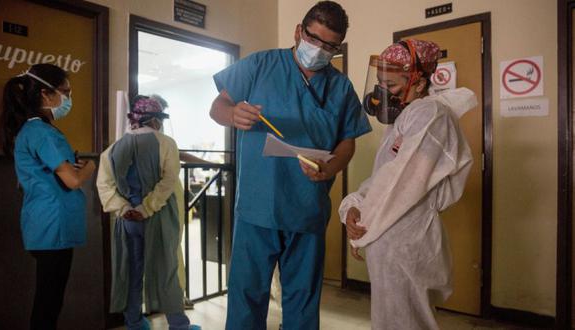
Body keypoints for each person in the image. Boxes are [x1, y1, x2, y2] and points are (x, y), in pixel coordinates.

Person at [209, 1, 371, 329]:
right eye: (314, 40)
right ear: (299, 32)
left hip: (307, 209)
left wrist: (331, 168)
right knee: (246, 299)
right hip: (258, 209)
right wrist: (231, 114)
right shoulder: (260, 65)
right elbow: (218, 105)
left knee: (302, 302)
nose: (321, 50)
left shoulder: (340, 87)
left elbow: (348, 141)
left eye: (330, 46)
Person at [339, 39, 476, 330]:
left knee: (407, 322)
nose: (381, 93)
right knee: (393, 320)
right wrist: (353, 206)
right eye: (379, 83)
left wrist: (363, 226)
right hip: (391, 238)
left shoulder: (429, 116)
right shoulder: (405, 118)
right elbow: (384, 177)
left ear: (418, 82)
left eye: (390, 85)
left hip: (406, 241)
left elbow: (402, 183)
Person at [0, 63, 96, 330]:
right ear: (45, 94)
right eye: (65, 92)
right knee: (48, 305)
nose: (68, 99)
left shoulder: (32, 131)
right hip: (53, 226)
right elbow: (72, 179)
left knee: (48, 301)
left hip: (45, 224)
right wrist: (90, 167)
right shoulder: (40, 132)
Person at [96, 95, 200, 330]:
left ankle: (134, 322)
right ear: (154, 119)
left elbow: (104, 185)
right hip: (159, 217)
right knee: (167, 270)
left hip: (127, 221)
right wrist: (146, 208)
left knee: (131, 269)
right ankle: (178, 325)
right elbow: (168, 181)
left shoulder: (113, 148)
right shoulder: (166, 143)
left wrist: (125, 208)